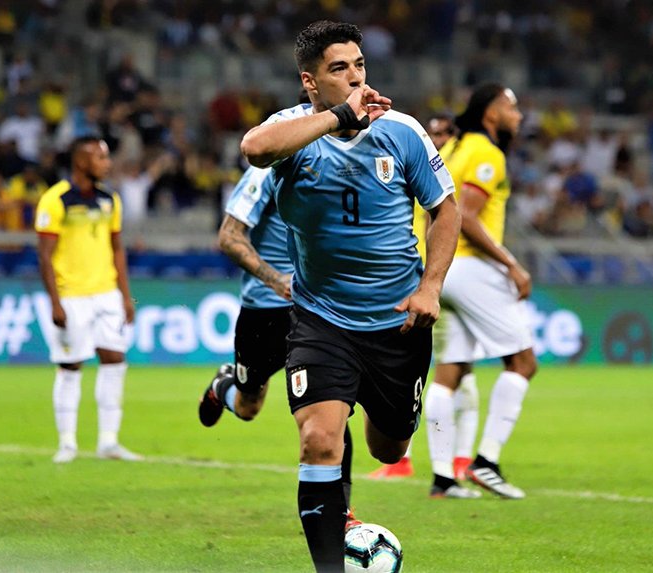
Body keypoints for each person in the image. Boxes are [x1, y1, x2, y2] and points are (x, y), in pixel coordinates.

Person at [240, 21, 460, 572]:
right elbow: (253, 148)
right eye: (340, 68)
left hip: (398, 323)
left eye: (359, 65)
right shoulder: (292, 130)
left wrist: (431, 285)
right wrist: (339, 117)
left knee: (390, 449)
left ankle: (373, 417)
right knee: (318, 441)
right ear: (310, 82)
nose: (356, 77)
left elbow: (445, 210)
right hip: (321, 320)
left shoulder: (403, 131)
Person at [197, 162, 358, 521]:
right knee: (248, 406)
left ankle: (341, 510)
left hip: (317, 308)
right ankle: (224, 386)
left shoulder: (336, 167)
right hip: (266, 310)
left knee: (331, 408)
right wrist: (275, 279)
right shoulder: (265, 171)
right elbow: (229, 236)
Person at [424, 83, 538, 500]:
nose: (519, 115)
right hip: (470, 267)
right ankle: (486, 461)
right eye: (512, 106)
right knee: (523, 362)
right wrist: (511, 263)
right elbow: (467, 217)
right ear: (491, 113)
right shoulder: (486, 153)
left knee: (449, 373)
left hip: (437, 269)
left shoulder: (450, 150)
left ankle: (441, 478)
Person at [368, 111, 477, 484]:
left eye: (445, 132)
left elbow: (454, 216)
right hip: (427, 280)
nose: (440, 137)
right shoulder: (419, 166)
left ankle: (459, 460)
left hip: (443, 275)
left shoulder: (444, 168)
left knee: (461, 373)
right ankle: (445, 466)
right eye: (435, 133)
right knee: (451, 373)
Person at [34, 136, 142, 464]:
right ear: (81, 162)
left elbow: (117, 248)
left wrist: (125, 296)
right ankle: (67, 443)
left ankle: (108, 441)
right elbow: (44, 256)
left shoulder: (109, 199)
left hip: (106, 294)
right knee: (70, 367)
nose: (107, 164)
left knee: (114, 360)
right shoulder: (56, 201)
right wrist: (55, 302)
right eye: (100, 157)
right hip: (72, 297)